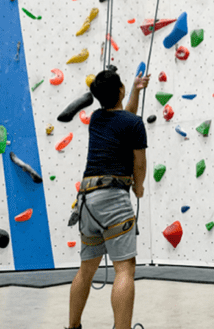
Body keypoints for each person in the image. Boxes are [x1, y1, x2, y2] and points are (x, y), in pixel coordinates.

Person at [66, 68, 150, 329]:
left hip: (88, 201)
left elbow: (125, 117)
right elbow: (139, 162)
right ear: (120, 90)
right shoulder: (133, 124)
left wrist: (135, 89)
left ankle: (73, 327)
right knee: (125, 270)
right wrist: (139, 187)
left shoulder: (96, 118)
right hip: (114, 199)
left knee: (86, 270)